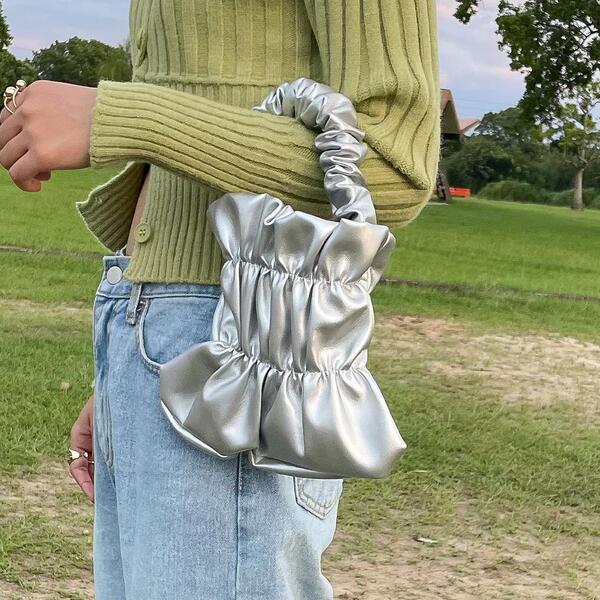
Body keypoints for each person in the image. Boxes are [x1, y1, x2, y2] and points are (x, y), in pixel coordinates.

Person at [0, 1, 440, 598]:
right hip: (164, 327)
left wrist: (121, 117)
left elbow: (393, 165)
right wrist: (136, 358)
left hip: (253, 349)